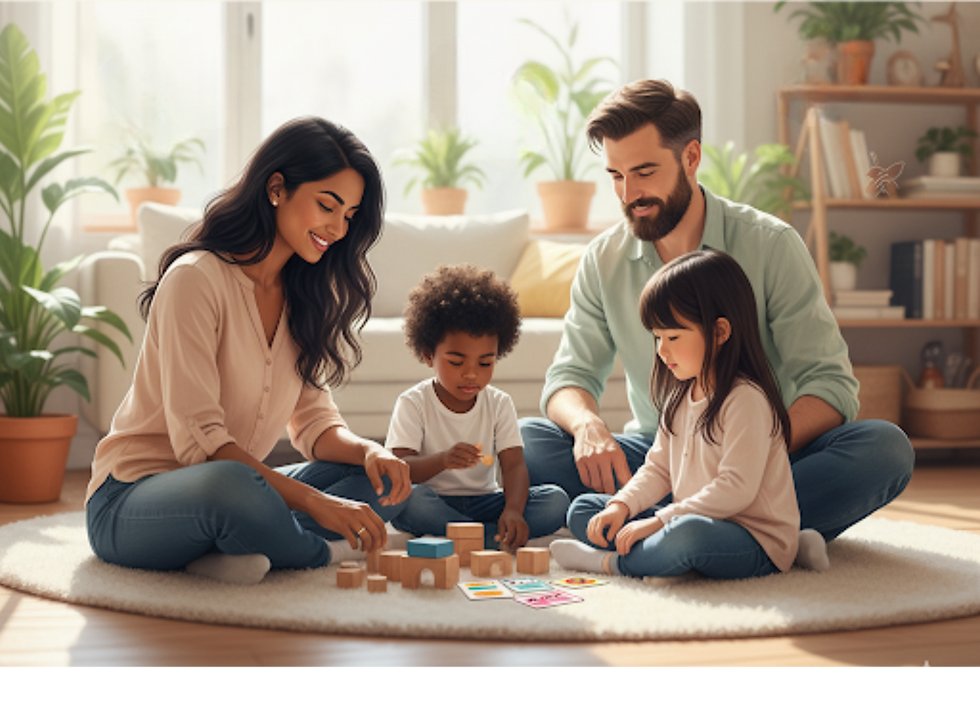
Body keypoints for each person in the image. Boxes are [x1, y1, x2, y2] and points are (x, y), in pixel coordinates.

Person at [520, 78, 913, 544]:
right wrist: (588, 426)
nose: (628, 194)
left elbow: (830, 387)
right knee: (530, 440)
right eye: (615, 176)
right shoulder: (603, 260)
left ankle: (663, 524)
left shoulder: (771, 245)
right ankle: (725, 529)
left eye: (644, 172)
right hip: (659, 454)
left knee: (885, 451)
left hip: (769, 451)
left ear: (691, 158)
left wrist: (751, 451)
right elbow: (569, 377)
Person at [85, 117, 412, 585]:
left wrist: (370, 451)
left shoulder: (303, 294)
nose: (338, 227)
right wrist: (318, 504)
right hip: (133, 500)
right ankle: (322, 554)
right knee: (234, 488)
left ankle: (231, 547)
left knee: (373, 485)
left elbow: (315, 425)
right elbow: (204, 447)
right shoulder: (195, 279)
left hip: (239, 487)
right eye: (328, 205)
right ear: (277, 188)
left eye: (350, 215)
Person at [551, 250, 829, 579]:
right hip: (691, 517)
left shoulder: (746, 400)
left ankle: (608, 562)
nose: (661, 350)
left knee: (687, 536)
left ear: (720, 332)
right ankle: (653, 548)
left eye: (673, 337)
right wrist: (622, 505)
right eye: (657, 337)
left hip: (751, 536)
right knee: (586, 510)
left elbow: (737, 488)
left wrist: (660, 521)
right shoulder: (679, 396)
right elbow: (658, 469)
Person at [386, 264, 569, 551]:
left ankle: (469, 536)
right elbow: (400, 470)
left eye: (485, 363)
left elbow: (514, 466)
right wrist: (443, 460)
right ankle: (489, 538)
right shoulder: (413, 403)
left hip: (487, 502)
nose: (472, 374)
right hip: (435, 500)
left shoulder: (498, 403)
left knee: (555, 500)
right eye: (457, 362)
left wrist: (513, 511)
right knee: (409, 501)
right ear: (428, 354)